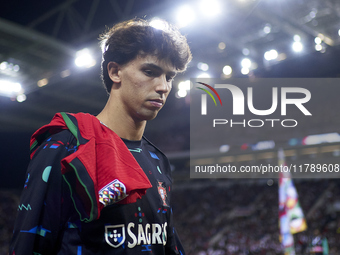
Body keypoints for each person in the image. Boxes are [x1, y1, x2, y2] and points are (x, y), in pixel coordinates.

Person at [9, 18, 192, 254]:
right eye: (150, 71)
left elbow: (167, 244)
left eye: (169, 77)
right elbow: (29, 243)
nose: (163, 86)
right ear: (115, 72)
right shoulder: (66, 146)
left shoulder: (158, 159)